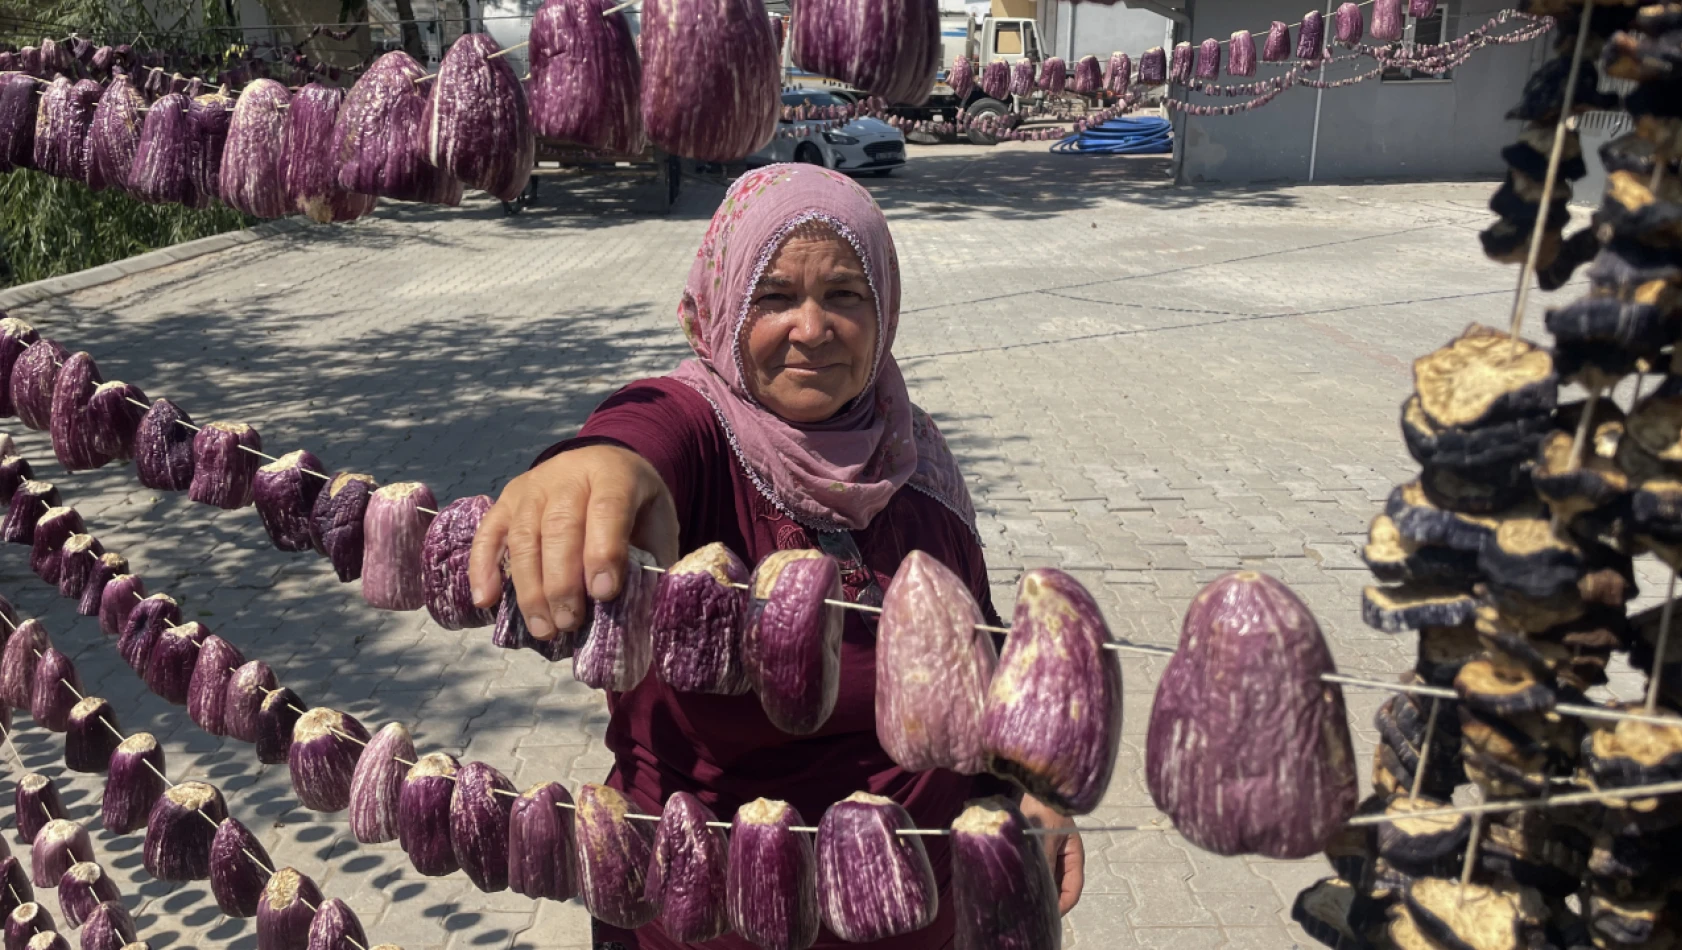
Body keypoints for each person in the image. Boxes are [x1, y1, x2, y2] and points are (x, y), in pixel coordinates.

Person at [468, 164, 1084, 949]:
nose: (812, 328)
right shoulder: (699, 434)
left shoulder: (912, 454)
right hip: (707, 915)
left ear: (885, 310)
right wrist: (594, 466)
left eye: (844, 296)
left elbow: (981, 648)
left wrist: (1029, 786)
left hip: (916, 909)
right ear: (722, 306)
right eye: (775, 296)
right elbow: (639, 435)